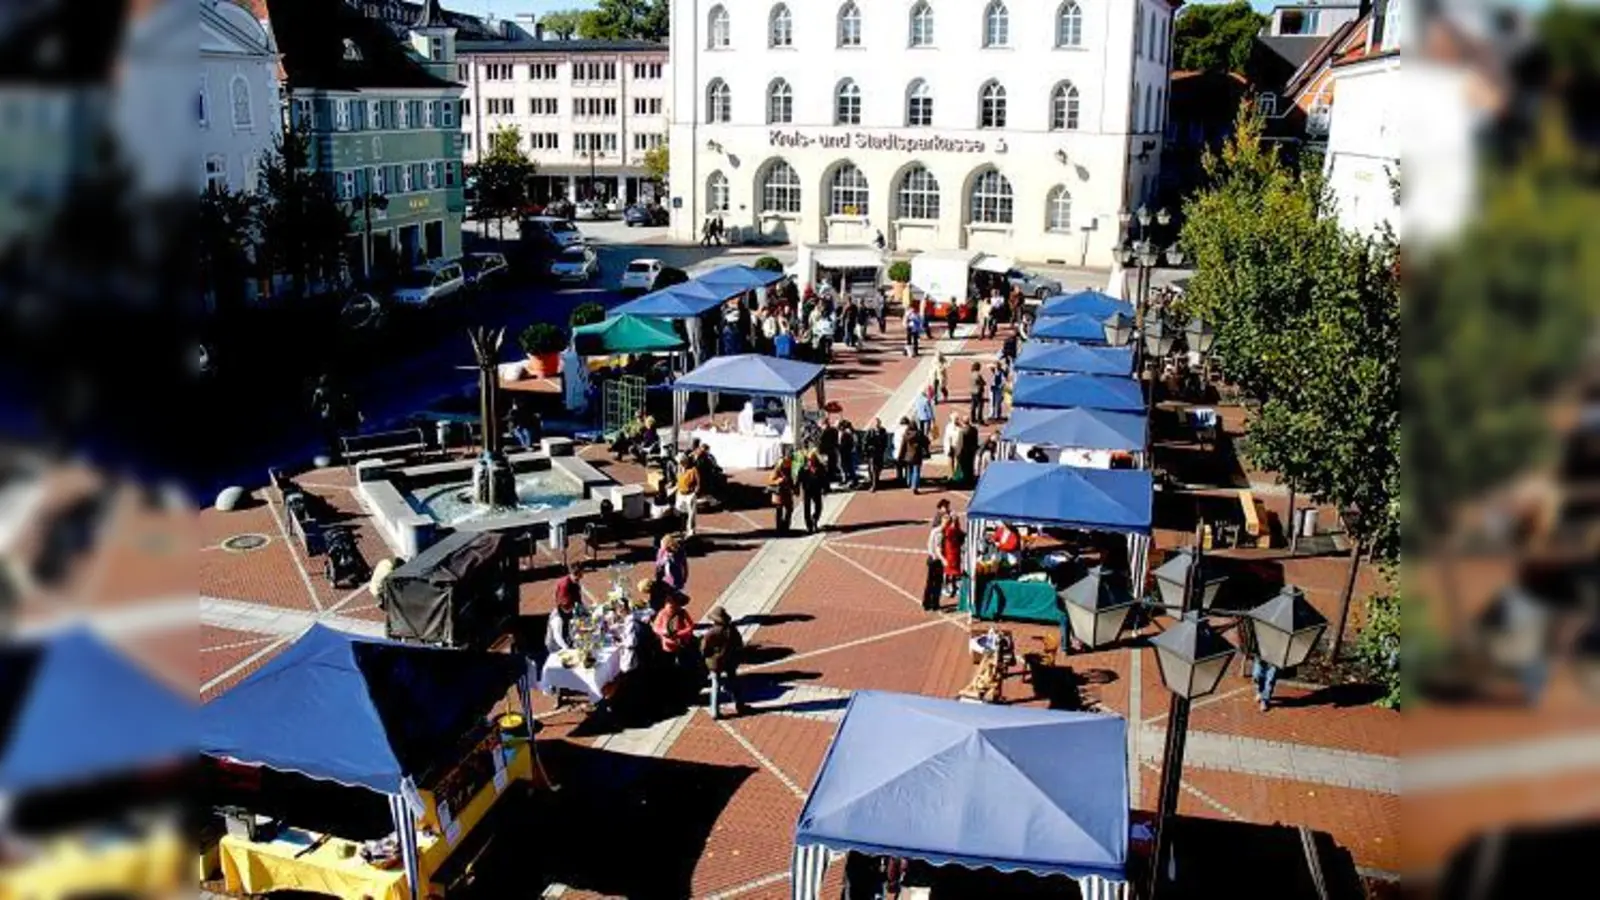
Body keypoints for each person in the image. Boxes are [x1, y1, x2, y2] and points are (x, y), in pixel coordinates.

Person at [702, 606, 749, 719]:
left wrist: (708, 655)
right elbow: (739, 644)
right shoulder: (732, 630)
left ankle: (714, 711)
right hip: (730, 659)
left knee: (715, 685)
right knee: (734, 682)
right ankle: (739, 704)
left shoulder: (712, 632)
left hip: (715, 661)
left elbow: (703, 648)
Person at [798, 449, 829, 533]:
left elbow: (824, 478)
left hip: (817, 489)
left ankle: (815, 519)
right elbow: (799, 479)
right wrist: (797, 489)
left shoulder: (820, 467)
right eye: (809, 459)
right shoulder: (804, 468)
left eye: (812, 459)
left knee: (819, 507)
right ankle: (809, 526)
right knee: (806, 508)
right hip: (807, 490)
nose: (810, 461)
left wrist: (825, 488)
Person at [768, 453, 796, 534]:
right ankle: (779, 527)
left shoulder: (789, 469)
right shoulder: (777, 469)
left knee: (789, 509)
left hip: (787, 492)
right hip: (779, 493)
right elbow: (770, 480)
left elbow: (790, 479)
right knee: (779, 509)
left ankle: (786, 525)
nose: (789, 464)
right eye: (787, 463)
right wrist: (778, 481)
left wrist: (794, 488)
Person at [922, 516, 945, 612]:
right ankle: (935, 603)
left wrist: (931, 554)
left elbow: (929, 544)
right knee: (937, 582)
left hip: (931, 559)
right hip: (937, 560)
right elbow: (938, 549)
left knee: (930, 582)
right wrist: (943, 559)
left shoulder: (934, 531)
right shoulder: (940, 533)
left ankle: (926, 603)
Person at [940, 512, 965, 600]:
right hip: (949, 552)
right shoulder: (949, 530)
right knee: (948, 571)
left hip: (955, 552)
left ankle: (953, 587)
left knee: (954, 572)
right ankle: (945, 586)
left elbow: (961, 535)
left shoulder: (955, 529)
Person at [674, 456, 700, 536]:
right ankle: (681, 529)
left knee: (691, 514)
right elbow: (678, 480)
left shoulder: (693, 470)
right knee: (680, 512)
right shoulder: (679, 469)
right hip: (680, 494)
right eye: (679, 462)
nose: (680, 464)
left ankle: (691, 531)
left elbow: (698, 482)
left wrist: (695, 492)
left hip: (690, 494)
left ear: (686, 461)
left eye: (682, 462)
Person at [861, 417, 889, 492]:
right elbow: (865, 442)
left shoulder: (883, 431)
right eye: (875, 424)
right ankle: (874, 485)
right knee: (872, 469)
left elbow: (885, 442)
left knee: (879, 468)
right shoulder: (870, 431)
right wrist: (865, 452)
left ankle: (876, 481)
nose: (877, 425)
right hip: (872, 454)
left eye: (878, 423)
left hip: (879, 453)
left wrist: (883, 449)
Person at [901, 421, 928, 494]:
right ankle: (914, 486)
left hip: (908, 456)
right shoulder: (919, 434)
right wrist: (926, 451)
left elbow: (903, 446)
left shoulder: (906, 434)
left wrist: (901, 455)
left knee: (909, 470)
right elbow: (926, 442)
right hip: (917, 455)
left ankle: (909, 482)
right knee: (916, 471)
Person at [837, 419, 858, 487]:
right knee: (842, 466)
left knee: (849, 466)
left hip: (846, 452)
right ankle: (845, 479)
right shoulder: (840, 432)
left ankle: (854, 480)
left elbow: (850, 443)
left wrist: (842, 447)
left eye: (839, 425)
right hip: (842, 452)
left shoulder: (847, 433)